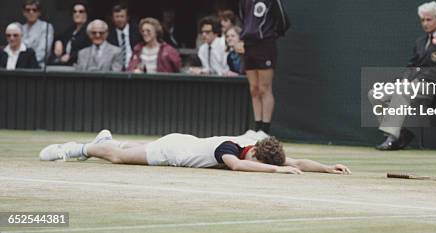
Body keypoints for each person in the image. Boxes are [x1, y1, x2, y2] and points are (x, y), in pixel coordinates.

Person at [39, 129, 351, 175]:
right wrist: (278, 171)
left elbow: (296, 160)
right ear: (254, 150)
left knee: (124, 148)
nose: (256, 161)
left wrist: (326, 168)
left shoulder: (257, 147)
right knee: (119, 158)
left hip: (184, 141)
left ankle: (106, 139)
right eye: (259, 159)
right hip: (171, 151)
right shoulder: (230, 150)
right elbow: (238, 167)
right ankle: (74, 149)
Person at [370, 1, 436, 150]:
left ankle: (392, 137)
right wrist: (405, 79)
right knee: (375, 94)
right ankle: (401, 133)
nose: (425, 23)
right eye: (422, 20)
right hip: (413, 85)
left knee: (402, 91)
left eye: (428, 19)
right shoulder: (420, 41)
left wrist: (417, 80)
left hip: (435, 87)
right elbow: (411, 65)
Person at [239, 0, 290, 136]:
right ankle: (257, 127)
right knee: (253, 88)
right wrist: (241, 39)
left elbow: (283, 21)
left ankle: (265, 130)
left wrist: (270, 35)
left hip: (266, 45)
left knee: (264, 88)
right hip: (249, 46)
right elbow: (244, 21)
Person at [49, 0, 91, 66]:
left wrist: (70, 56)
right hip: (64, 65)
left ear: (86, 14)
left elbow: (88, 49)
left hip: (80, 66)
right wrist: (58, 41)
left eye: (81, 12)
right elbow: (61, 37)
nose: (77, 14)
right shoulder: (71, 29)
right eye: (74, 12)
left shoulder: (90, 29)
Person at [20, 0, 54, 67]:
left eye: (34, 10)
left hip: (37, 67)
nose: (31, 12)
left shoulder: (46, 27)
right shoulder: (20, 28)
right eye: (28, 10)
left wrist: (26, 62)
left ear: (39, 13)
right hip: (20, 66)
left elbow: (43, 51)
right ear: (24, 13)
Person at [107, 4, 140, 71]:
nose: (119, 19)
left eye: (122, 16)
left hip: (135, 68)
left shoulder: (137, 31)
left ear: (127, 17)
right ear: (112, 18)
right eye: (117, 17)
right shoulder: (108, 35)